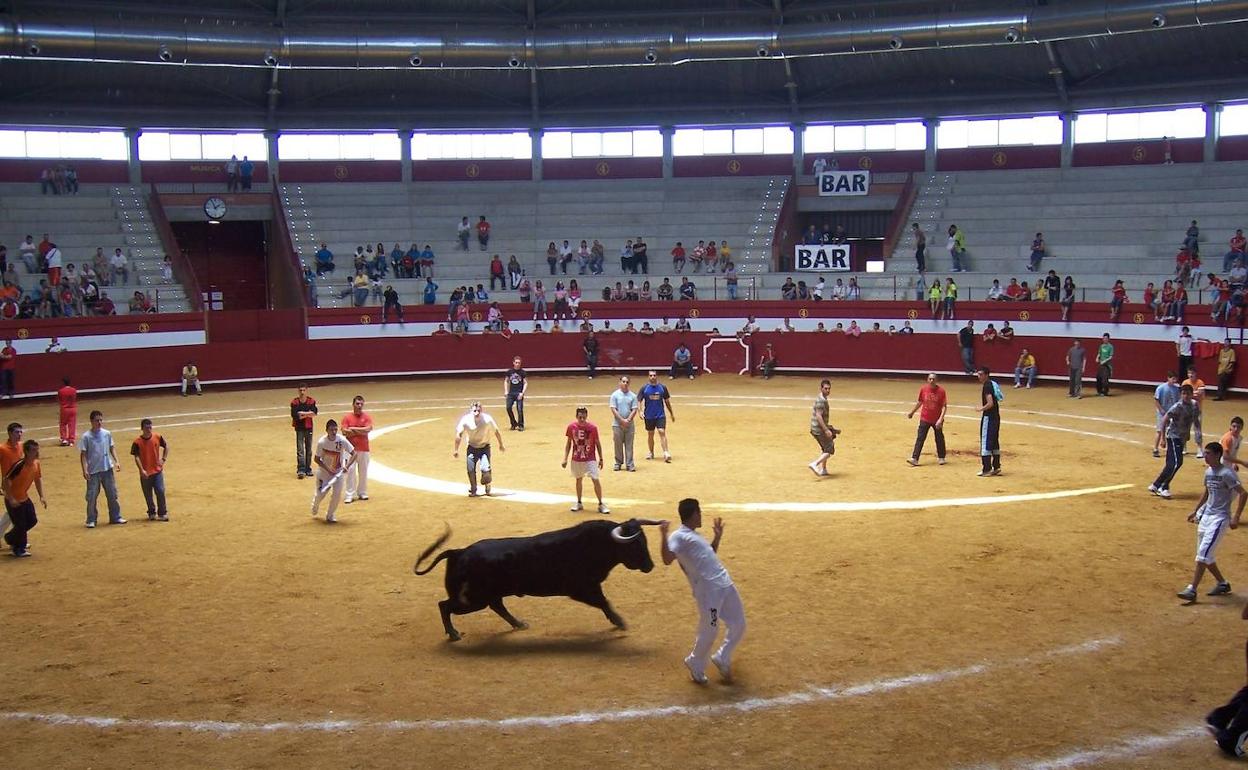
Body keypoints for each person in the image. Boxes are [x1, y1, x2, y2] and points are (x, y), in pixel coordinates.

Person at [659, 498, 745, 684]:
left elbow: (710, 555)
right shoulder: (678, 536)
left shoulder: (696, 536)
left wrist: (717, 538)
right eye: (699, 512)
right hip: (708, 592)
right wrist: (663, 535)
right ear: (693, 514)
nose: (701, 516)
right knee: (710, 629)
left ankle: (722, 656)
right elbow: (667, 559)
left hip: (724, 583)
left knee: (739, 623)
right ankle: (695, 662)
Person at [1177, 442, 1246, 601]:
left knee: (1203, 554)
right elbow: (1207, 492)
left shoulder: (1227, 473)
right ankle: (1222, 583)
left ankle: (1192, 589)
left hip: (1220, 519)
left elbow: (1243, 493)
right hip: (1206, 516)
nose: (1205, 456)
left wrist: (1236, 516)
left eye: (1208, 453)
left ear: (1217, 455)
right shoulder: (1208, 472)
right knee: (1205, 554)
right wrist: (1196, 510)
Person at [1150, 384, 1200, 499]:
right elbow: (1164, 420)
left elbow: (1196, 421)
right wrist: (1163, 438)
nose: (1186, 396)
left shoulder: (1194, 405)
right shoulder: (1177, 406)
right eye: (1184, 393)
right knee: (1177, 462)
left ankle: (1156, 484)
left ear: (1192, 394)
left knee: (1171, 463)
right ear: (1181, 394)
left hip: (1182, 437)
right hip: (1173, 436)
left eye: (1188, 393)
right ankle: (1164, 486)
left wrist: (1198, 436)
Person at [79, 410, 125, 528]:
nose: (99, 422)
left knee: (112, 494)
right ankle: (91, 519)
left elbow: (112, 447)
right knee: (92, 497)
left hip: (107, 469)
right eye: (97, 420)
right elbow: (83, 455)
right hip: (93, 471)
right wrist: (85, 470)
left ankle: (115, 516)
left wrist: (117, 461)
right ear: (91, 421)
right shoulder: (86, 437)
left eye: (100, 420)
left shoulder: (107, 433)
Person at [561, 406, 608, 514]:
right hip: (576, 458)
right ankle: (579, 502)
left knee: (595, 479)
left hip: (590, 458)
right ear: (577, 416)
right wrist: (565, 458)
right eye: (580, 417)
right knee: (578, 479)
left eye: (583, 417)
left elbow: (597, 443)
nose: (582, 419)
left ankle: (601, 503)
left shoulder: (593, 428)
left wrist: (601, 458)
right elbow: (569, 443)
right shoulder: (571, 427)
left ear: (586, 416)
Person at [2, 439, 44, 557]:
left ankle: (10, 538)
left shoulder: (36, 463)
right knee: (20, 525)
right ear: (26, 451)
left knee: (32, 520)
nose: (36, 452)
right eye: (33, 450)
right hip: (14, 500)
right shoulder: (19, 465)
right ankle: (18, 548)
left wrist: (41, 496)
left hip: (24, 498)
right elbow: (6, 480)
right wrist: (10, 499)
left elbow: (37, 479)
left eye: (37, 450)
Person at [453, 401, 504, 497]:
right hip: (471, 447)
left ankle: (487, 483)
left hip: (484, 447)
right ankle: (473, 489)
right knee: (470, 469)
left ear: (482, 410)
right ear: (471, 411)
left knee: (486, 469)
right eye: (474, 411)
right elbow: (459, 434)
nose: (477, 412)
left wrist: (501, 444)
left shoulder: (488, 419)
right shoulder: (465, 420)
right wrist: (456, 449)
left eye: (478, 410)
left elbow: (496, 431)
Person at [310, 419, 355, 522]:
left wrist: (347, 466)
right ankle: (315, 504)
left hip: (338, 473)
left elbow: (354, 453)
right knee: (321, 494)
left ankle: (330, 515)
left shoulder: (342, 440)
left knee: (337, 494)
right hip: (324, 473)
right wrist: (327, 469)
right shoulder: (322, 442)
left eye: (335, 429)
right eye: (331, 430)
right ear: (327, 430)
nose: (334, 432)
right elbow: (316, 459)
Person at [130, 418, 169, 521]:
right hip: (145, 472)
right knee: (148, 494)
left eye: (150, 427)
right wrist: (141, 470)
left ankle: (162, 513)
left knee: (160, 491)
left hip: (157, 471)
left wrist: (163, 459)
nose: (149, 429)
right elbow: (136, 457)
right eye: (147, 427)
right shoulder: (137, 442)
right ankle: (151, 512)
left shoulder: (157, 437)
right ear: (142, 428)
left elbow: (166, 446)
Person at [907, 373, 948, 466]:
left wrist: (940, 419)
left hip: (936, 419)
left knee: (939, 438)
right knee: (920, 438)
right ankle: (915, 458)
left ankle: (941, 457)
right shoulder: (924, 389)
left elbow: (945, 406)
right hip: (925, 418)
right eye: (930, 379)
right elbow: (920, 402)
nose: (931, 381)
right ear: (927, 380)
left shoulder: (941, 391)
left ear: (936, 380)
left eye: (933, 379)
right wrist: (912, 412)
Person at [341, 395, 373, 504]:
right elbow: (344, 431)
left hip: (364, 448)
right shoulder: (347, 417)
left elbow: (368, 429)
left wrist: (353, 429)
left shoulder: (367, 417)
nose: (359, 406)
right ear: (353, 404)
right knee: (350, 471)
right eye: (357, 404)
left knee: (363, 471)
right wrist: (361, 431)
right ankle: (350, 494)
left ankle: (362, 492)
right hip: (350, 450)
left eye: (361, 404)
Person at [639, 370, 675, 463]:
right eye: (651, 375)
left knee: (661, 431)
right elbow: (639, 400)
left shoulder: (662, 388)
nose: (652, 377)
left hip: (660, 415)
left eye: (654, 375)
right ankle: (651, 452)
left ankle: (666, 452)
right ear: (648, 377)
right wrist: (640, 411)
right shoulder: (644, 388)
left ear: (656, 376)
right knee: (650, 434)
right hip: (649, 415)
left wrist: (671, 413)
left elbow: (667, 401)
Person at [974, 367, 1002, 476]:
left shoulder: (987, 386)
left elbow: (990, 403)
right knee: (994, 442)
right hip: (996, 417)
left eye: (980, 374)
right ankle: (996, 466)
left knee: (985, 442)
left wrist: (980, 409)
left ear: (986, 375)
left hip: (989, 417)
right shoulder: (992, 383)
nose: (979, 376)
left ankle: (986, 469)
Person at [809, 379, 840, 477]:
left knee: (825, 448)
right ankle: (815, 464)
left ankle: (824, 469)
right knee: (830, 449)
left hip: (817, 428)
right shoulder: (821, 401)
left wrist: (831, 428)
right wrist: (826, 430)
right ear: (821, 388)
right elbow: (818, 416)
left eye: (829, 388)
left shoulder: (822, 398)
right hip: (818, 430)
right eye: (826, 388)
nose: (828, 390)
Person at [609, 375, 639, 472]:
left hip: (629, 425)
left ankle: (630, 464)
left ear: (629, 384)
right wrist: (622, 420)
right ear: (620, 383)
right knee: (617, 445)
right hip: (617, 424)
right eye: (623, 382)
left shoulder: (633, 396)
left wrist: (628, 420)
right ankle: (618, 463)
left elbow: (634, 409)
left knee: (629, 445)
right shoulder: (614, 395)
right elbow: (613, 409)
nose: (625, 384)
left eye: (627, 382)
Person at [290, 384, 318, 479]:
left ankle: (307, 468)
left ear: (306, 390)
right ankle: (301, 469)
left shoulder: (311, 401)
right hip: (299, 428)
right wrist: (308, 414)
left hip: (308, 427)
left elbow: (314, 413)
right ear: (298, 391)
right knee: (301, 449)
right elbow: (295, 415)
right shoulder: (295, 402)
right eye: (300, 390)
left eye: (303, 390)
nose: (302, 392)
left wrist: (302, 414)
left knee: (308, 449)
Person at [1153, 372, 1182, 458]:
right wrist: (1161, 410)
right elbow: (1156, 400)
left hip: (1172, 413)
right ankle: (1155, 449)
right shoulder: (1161, 388)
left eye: (1175, 379)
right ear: (1168, 378)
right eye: (1173, 378)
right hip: (1162, 413)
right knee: (1159, 430)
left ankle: (1170, 449)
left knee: (1171, 431)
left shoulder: (1176, 389)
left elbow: (1177, 401)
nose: (1174, 381)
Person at [1184, 365, 1208, 457]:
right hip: (1186, 410)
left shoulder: (1200, 382)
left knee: (1197, 430)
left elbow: (1200, 395)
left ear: (1195, 374)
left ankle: (1199, 449)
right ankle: (1184, 447)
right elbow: (1184, 395)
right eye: (1189, 373)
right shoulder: (1185, 382)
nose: (1190, 375)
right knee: (1185, 429)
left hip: (1197, 410)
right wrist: (1194, 393)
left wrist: (1190, 394)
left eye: (1192, 373)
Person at [504, 356, 527, 431]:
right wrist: (506, 391)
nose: (517, 364)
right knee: (508, 408)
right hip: (511, 393)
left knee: (519, 409)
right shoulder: (509, 372)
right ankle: (513, 423)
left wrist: (522, 393)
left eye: (519, 363)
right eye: (516, 362)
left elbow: (525, 383)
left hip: (519, 393)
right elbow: (506, 381)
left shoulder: (522, 372)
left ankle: (521, 425)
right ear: (513, 363)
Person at [57, 377, 78, 446]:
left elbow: (60, 400)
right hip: (73, 409)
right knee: (72, 424)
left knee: (63, 424)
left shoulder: (60, 391)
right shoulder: (74, 390)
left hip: (64, 409)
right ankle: (71, 440)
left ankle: (64, 439)